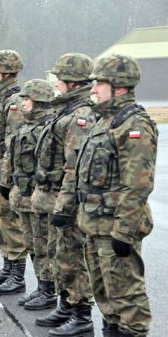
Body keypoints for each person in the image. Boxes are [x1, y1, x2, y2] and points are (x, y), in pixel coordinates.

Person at [76, 54, 157, 337]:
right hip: (95, 225)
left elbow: (137, 185)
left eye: (99, 83)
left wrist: (123, 232)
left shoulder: (133, 125)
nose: (94, 89)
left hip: (115, 228)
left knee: (127, 299)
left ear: (119, 87)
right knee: (105, 296)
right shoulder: (104, 121)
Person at [31, 54, 96, 337]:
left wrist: (64, 204)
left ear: (71, 81)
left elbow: (75, 167)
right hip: (56, 194)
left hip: (67, 198)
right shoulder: (66, 110)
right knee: (61, 255)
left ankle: (81, 314)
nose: (55, 82)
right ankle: (66, 304)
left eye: (59, 78)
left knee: (74, 258)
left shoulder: (80, 115)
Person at [4, 79, 54, 303]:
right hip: (23, 195)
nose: (23, 103)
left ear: (38, 101)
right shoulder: (26, 126)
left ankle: (48, 290)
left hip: (38, 197)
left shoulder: (46, 128)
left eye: (27, 99)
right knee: (32, 244)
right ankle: (42, 286)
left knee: (43, 245)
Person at [0, 49, 27, 294]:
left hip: (5, 174)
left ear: (8, 71)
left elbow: (15, 143)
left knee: (10, 223)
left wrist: (8, 178)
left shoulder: (14, 101)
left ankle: (17, 275)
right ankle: (8, 267)